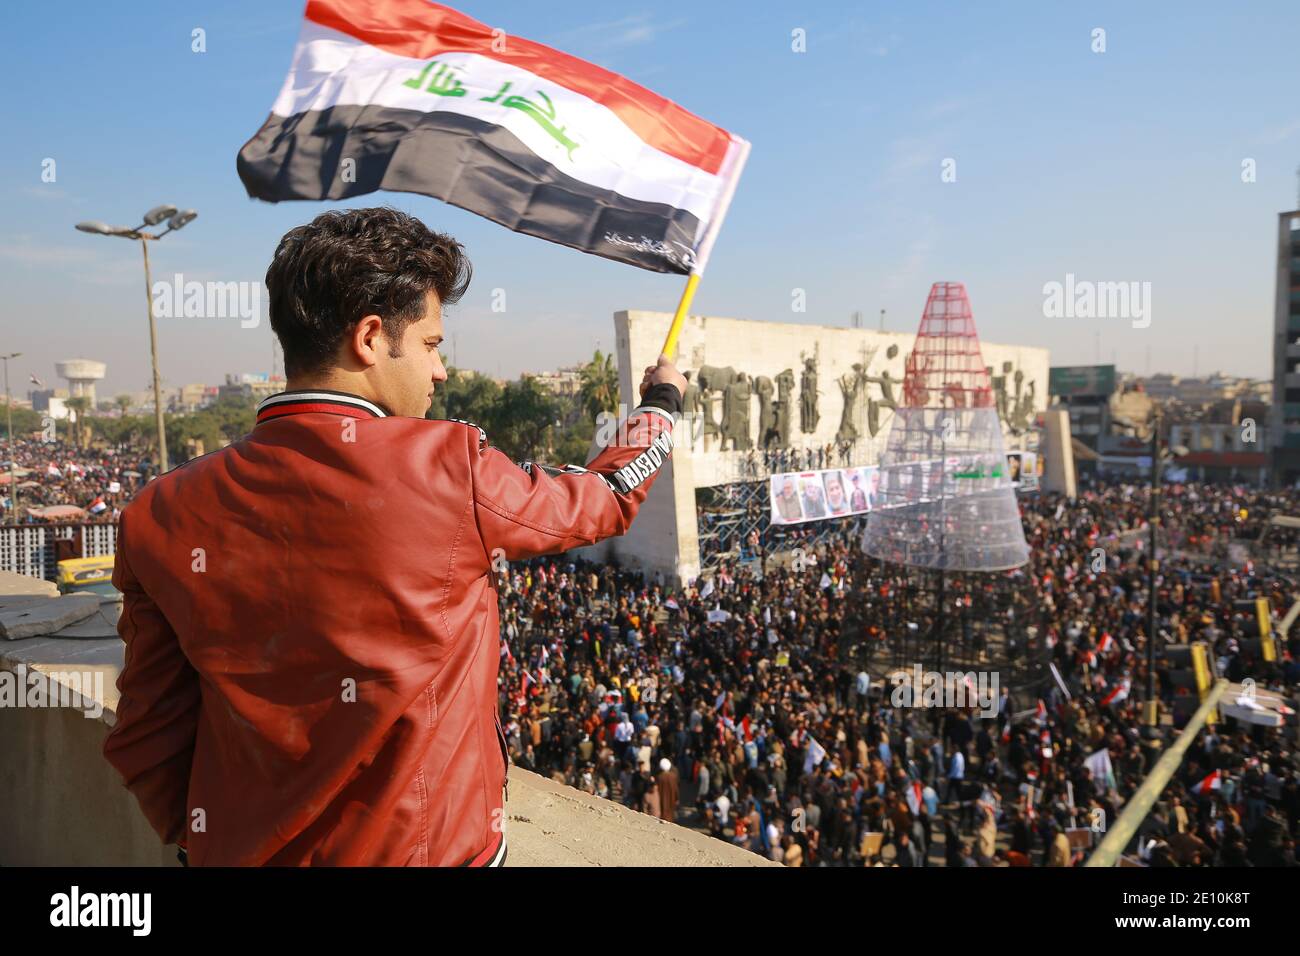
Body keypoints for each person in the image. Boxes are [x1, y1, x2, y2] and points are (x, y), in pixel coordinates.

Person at [101, 207, 688, 867]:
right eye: (433, 344)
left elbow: (147, 734)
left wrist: (212, 842)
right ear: (372, 338)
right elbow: (603, 499)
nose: (440, 371)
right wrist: (659, 408)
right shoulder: (448, 468)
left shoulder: (158, 511)